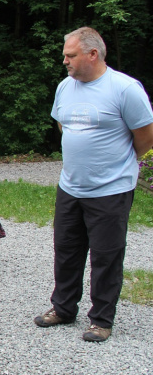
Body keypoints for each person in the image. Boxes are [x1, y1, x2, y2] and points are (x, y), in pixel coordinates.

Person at [34, 27, 153, 343]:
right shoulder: (65, 87)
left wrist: (117, 166)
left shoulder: (124, 89)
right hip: (71, 187)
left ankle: (101, 319)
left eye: (70, 55)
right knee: (67, 250)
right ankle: (63, 308)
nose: (64, 61)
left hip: (111, 190)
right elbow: (63, 124)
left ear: (93, 54)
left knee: (106, 255)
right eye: (65, 55)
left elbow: (145, 135)